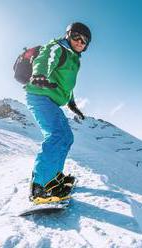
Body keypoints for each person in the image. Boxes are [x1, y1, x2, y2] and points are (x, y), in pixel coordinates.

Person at [25, 22, 91, 204]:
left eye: (84, 40)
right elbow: (45, 59)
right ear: (68, 34)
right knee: (56, 135)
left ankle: (53, 177)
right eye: (76, 36)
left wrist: (71, 103)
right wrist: (39, 75)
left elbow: (66, 84)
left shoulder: (73, 59)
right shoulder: (57, 47)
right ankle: (40, 187)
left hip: (52, 100)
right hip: (40, 95)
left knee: (66, 137)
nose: (80, 41)